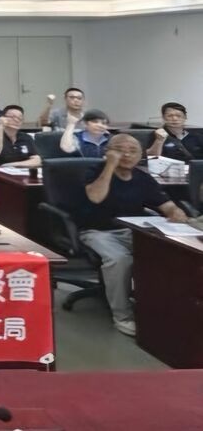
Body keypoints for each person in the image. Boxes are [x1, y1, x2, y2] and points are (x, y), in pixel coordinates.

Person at [80, 134, 188, 336]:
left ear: (141, 155)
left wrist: (175, 212)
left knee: (170, 253)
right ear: (108, 152)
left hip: (133, 229)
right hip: (98, 231)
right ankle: (122, 316)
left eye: (133, 151)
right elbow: (96, 197)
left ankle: (159, 309)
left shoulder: (143, 178)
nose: (127, 155)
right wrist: (110, 165)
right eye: (120, 150)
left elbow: (166, 205)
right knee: (120, 259)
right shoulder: (95, 171)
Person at [0, 105, 41, 209]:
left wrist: (11, 165)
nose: (16, 120)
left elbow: (37, 161)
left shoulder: (26, 137)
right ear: (3, 118)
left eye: (19, 118)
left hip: (21, 180)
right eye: (12, 117)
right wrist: (0, 127)